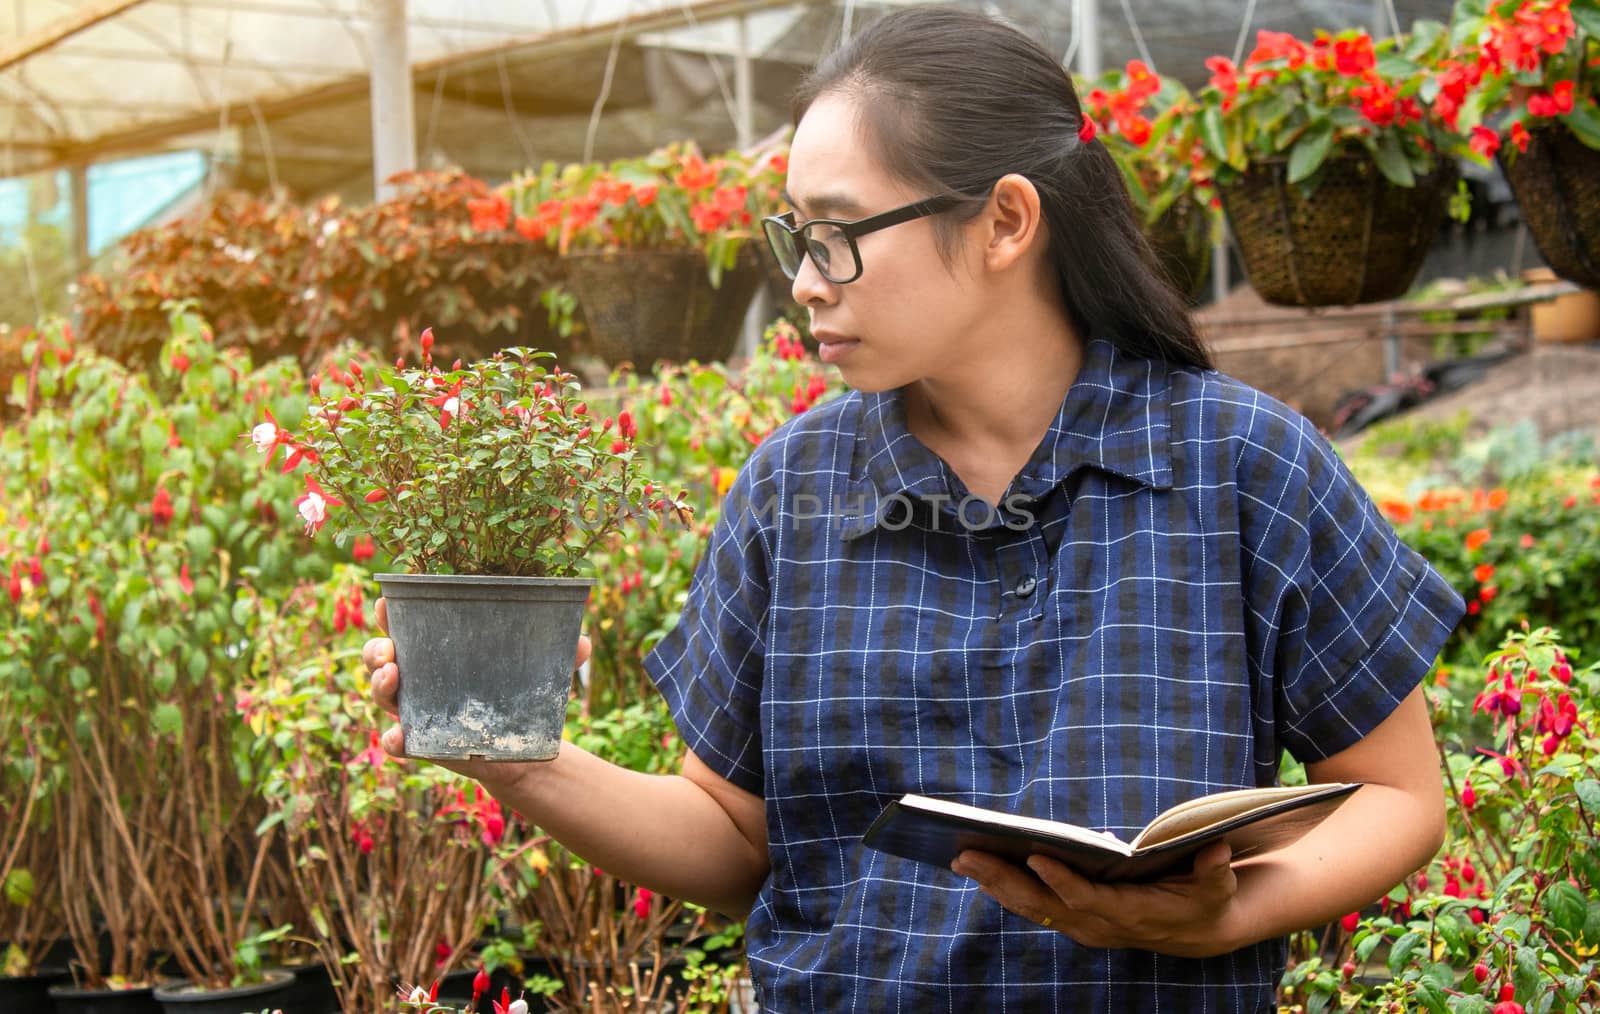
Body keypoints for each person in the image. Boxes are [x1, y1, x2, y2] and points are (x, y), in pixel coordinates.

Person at [365, 7, 1465, 1009]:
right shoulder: (793, 490)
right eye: (792, 234)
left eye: (837, 230)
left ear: (1004, 222)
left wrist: (1231, 910)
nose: (803, 281)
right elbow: (732, 836)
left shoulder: (1241, 464)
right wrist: (514, 759)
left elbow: (1398, 795)